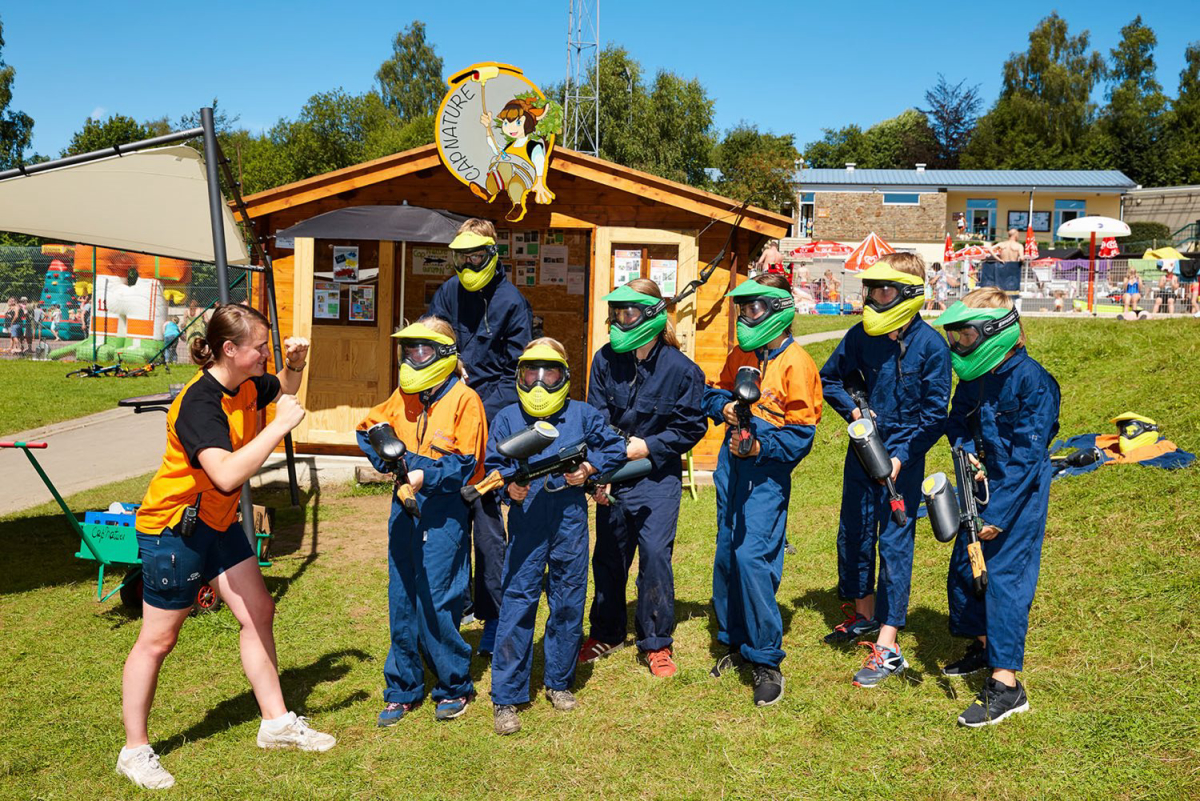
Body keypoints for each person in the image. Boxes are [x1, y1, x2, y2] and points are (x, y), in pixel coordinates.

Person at [119, 304, 333, 791]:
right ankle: (134, 751)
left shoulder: (250, 383)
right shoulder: (199, 405)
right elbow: (226, 473)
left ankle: (276, 723)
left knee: (258, 611)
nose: (267, 354)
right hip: (175, 530)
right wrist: (279, 428)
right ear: (229, 350)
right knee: (158, 640)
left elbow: (284, 390)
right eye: (260, 347)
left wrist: (294, 367)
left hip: (217, 523)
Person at [818, 253, 951, 687]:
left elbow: (935, 416)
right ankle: (864, 615)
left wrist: (901, 457)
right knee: (853, 531)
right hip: (863, 449)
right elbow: (831, 378)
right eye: (872, 290)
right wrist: (857, 412)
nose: (875, 298)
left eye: (885, 291)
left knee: (894, 543)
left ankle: (890, 643)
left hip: (903, 460)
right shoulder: (860, 336)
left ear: (909, 293)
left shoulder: (932, 347)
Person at [936, 288, 1060, 727]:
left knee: (1005, 580)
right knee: (968, 569)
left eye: (965, 336)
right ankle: (984, 646)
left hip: (1019, 494)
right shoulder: (976, 376)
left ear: (996, 331)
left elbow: (1028, 458)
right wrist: (967, 451)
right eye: (955, 337)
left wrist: (997, 516)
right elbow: (958, 421)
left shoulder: (1033, 381)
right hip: (982, 484)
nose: (958, 346)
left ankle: (1007, 686)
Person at [488, 339, 625, 735]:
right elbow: (495, 466)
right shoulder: (509, 417)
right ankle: (506, 697)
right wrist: (506, 490)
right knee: (518, 602)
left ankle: (559, 682)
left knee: (568, 600)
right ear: (520, 375)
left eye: (550, 373)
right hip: (528, 520)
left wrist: (588, 470)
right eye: (532, 373)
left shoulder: (582, 414)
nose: (540, 383)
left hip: (569, 520)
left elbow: (614, 448)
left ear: (564, 376)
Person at [356, 317, 486, 726]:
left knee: (438, 597)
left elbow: (466, 465)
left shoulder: (465, 400)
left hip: (444, 511)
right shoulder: (404, 395)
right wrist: (387, 458)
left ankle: (453, 685)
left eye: (423, 351)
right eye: (409, 350)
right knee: (402, 596)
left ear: (446, 355)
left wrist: (423, 473)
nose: (414, 358)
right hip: (404, 506)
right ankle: (403, 687)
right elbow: (369, 428)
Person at [703, 273, 823, 706]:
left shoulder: (798, 364)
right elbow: (711, 393)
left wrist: (759, 445)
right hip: (730, 463)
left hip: (766, 473)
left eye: (752, 308)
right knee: (726, 550)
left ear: (776, 311)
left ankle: (766, 658)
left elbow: (801, 436)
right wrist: (728, 408)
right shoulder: (742, 354)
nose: (743, 316)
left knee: (753, 556)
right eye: (742, 308)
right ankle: (735, 641)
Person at [578, 278, 707, 676]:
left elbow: (690, 427)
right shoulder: (604, 360)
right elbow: (595, 419)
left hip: (657, 476)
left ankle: (657, 643)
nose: (621, 319)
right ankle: (607, 633)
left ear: (651, 315)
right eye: (617, 312)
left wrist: (647, 446)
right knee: (609, 557)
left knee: (654, 555)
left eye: (629, 312)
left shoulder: (683, 370)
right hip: (613, 474)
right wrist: (601, 474)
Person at [429, 218, 533, 657]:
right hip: (448, 413)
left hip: (490, 415)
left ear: (492, 252)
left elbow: (520, 370)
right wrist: (450, 367)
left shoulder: (512, 301)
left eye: (476, 254)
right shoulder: (448, 292)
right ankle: (455, 606)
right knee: (448, 514)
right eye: (463, 255)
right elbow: (430, 338)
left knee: (488, 522)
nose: (469, 262)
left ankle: (493, 616)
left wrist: (492, 408)